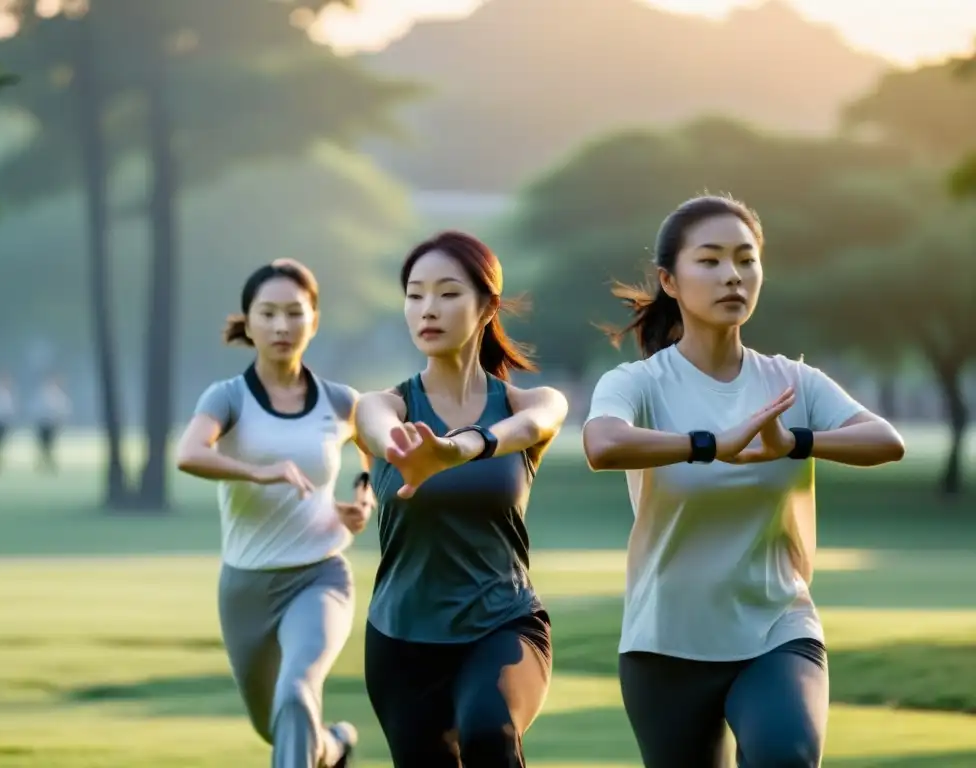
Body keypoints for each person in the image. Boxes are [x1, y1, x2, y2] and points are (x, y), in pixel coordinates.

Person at [581, 194, 906, 768]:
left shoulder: (793, 381)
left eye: (746, 259)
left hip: (777, 627)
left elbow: (885, 440)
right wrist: (709, 445)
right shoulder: (638, 383)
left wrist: (796, 442)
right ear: (670, 281)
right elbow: (602, 444)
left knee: (786, 756)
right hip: (666, 639)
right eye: (709, 261)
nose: (732, 275)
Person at [354, 230, 569, 768]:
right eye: (415, 294)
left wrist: (460, 447)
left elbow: (537, 422)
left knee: (488, 735)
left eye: (448, 293)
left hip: (504, 624)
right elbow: (378, 429)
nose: (428, 308)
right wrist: (402, 445)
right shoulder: (386, 406)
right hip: (402, 640)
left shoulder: (527, 402)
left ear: (487, 306)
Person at [174, 259, 372, 768]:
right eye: (268, 314)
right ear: (248, 320)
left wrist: (363, 495)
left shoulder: (340, 401)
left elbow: (375, 452)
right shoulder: (229, 398)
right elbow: (189, 453)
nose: (282, 326)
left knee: (295, 692)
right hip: (245, 588)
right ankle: (334, 748)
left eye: (294, 313)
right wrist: (261, 472)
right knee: (277, 725)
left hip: (320, 577)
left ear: (314, 319)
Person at [33, 373, 71, 473]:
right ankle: (45, 464)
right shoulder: (43, 394)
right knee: (44, 446)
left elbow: (63, 410)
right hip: (43, 424)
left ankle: (47, 464)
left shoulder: (58, 395)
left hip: (51, 425)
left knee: (49, 446)